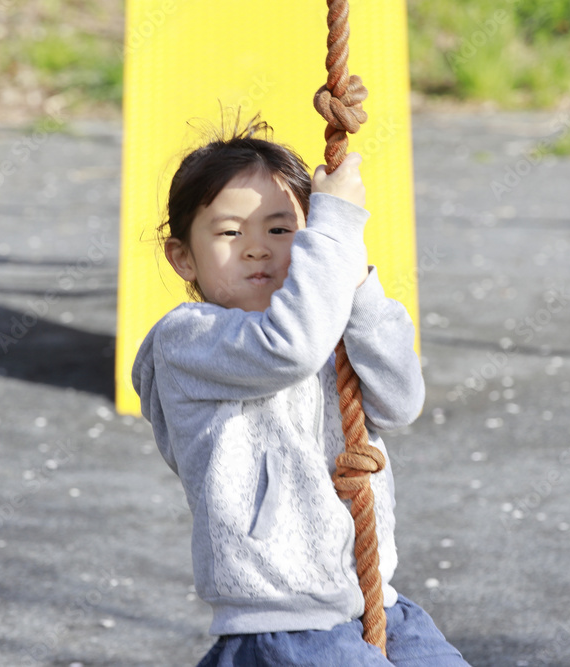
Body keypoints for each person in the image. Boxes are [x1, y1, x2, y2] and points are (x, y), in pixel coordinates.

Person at [132, 117, 470, 666]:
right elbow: (287, 348)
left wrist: (355, 284)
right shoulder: (187, 339)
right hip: (282, 618)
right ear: (183, 258)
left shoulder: (328, 327)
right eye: (229, 232)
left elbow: (400, 400)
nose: (256, 249)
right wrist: (334, 224)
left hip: (373, 599)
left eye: (279, 229)